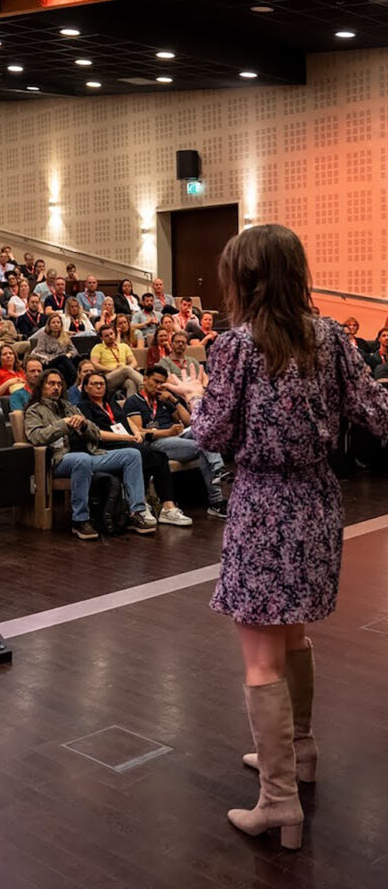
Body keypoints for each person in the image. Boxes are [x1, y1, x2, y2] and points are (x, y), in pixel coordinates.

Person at [182, 225, 388, 850]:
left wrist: (194, 396)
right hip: (320, 501)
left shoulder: (236, 346)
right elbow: (377, 414)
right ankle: (301, 756)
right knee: (293, 636)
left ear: (244, 278)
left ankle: (278, 803)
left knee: (260, 658)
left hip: (264, 502)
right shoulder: (332, 337)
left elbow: (211, 435)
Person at [23, 369, 156, 539]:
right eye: (51, 384)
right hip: (59, 459)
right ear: (41, 386)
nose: (56, 387)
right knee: (82, 460)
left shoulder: (69, 406)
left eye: (58, 384)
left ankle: (136, 512)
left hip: (90, 454)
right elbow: (36, 437)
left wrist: (84, 424)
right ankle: (80, 520)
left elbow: (96, 433)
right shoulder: (35, 410)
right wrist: (62, 425)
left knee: (132, 454)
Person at [77, 370, 192, 527]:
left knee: (160, 456)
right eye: (94, 384)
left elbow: (127, 422)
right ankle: (140, 504)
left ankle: (168, 507)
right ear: (85, 388)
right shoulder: (83, 407)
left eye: (102, 383)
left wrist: (137, 433)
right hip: (105, 445)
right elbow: (96, 433)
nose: (99, 387)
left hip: (126, 441)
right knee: (143, 453)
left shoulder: (111, 404)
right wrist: (127, 438)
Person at [124, 366, 227, 519]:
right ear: (145, 379)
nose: (159, 386)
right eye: (155, 382)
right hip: (156, 442)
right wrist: (167, 432)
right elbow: (139, 432)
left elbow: (187, 420)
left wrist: (175, 401)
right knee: (202, 447)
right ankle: (216, 499)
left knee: (204, 430)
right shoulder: (133, 402)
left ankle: (218, 473)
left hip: (176, 437)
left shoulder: (164, 400)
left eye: (162, 383)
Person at [89, 324, 142, 398]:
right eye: (106, 336)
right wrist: (113, 369)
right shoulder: (98, 348)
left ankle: (131, 407)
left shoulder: (124, 346)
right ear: (102, 338)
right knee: (125, 369)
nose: (110, 337)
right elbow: (94, 364)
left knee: (131, 383)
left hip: (124, 375)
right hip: (108, 378)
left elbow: (134, 362)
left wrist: (127, 369)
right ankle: (144, 385)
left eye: (111, 334)